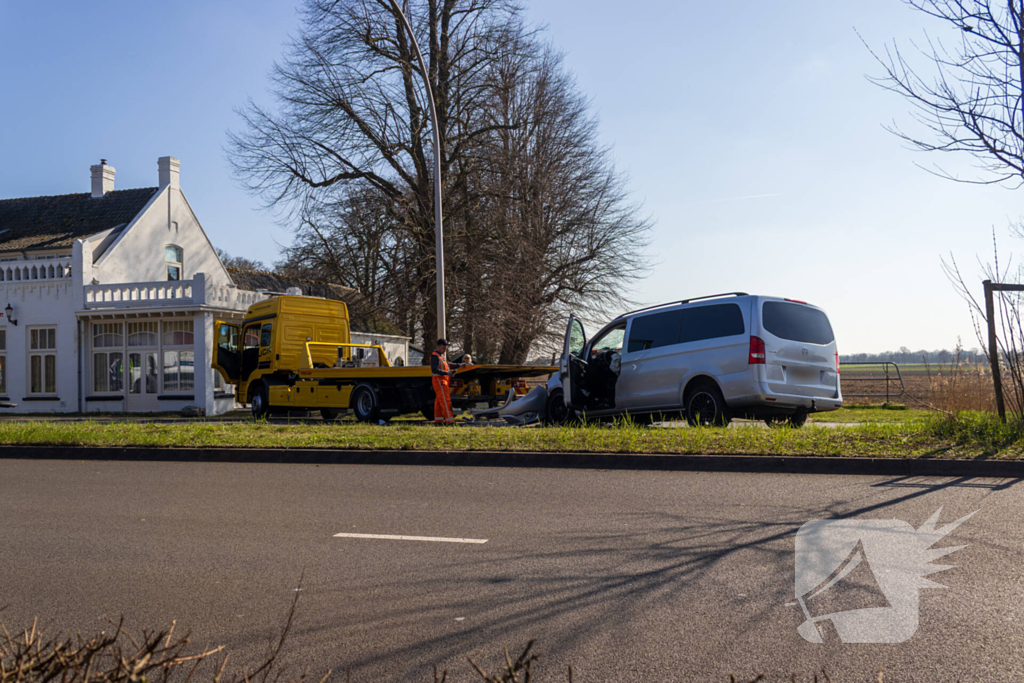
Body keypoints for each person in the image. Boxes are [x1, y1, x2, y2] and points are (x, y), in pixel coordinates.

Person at [430, 339, 459, 425]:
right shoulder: (435, 356)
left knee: (439, 401)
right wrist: (447, 373)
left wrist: (460, 365)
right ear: (438, 346)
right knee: (446, 401)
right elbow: (434, 369)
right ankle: (450, 421)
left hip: (442, 381)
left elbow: (448, 364)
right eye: (443, 348)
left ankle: (438, 420)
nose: (444, 350)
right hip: (440, 381)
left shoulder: (441, 356)